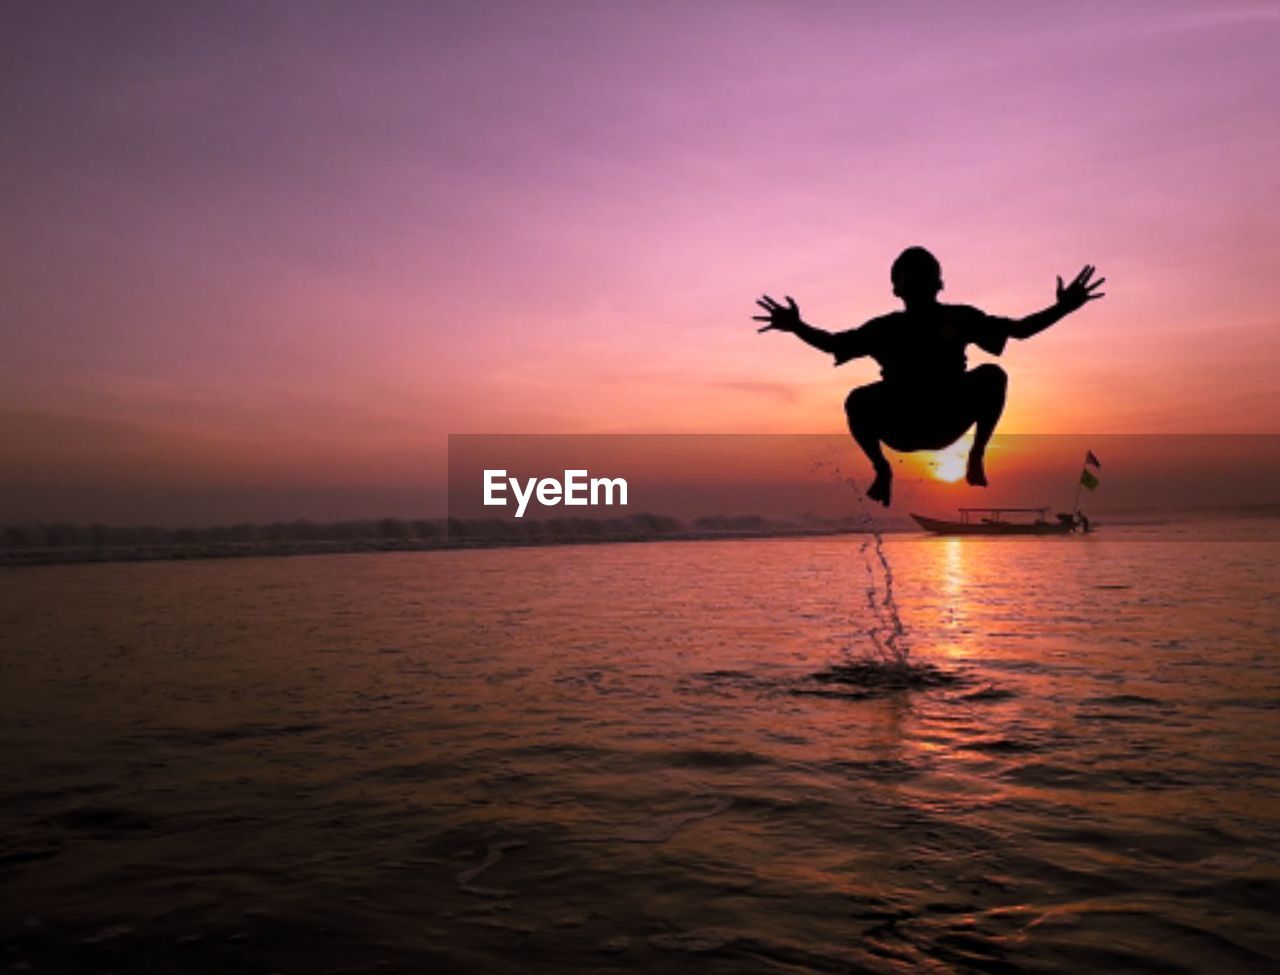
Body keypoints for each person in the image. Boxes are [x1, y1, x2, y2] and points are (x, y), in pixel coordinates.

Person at [754, 247, 1104, 506]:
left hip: (947, 418)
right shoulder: (885, 328)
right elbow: (833, 344)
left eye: (927, 271)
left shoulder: (960, 317)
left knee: (993, 375)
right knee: (857, 399)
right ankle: (882, 468)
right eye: (910, 273)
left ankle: (977, 454)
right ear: (896, 288)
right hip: (902, 425)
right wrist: (796, 326)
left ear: (939, 283)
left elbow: (1020, 330)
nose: (919, 277)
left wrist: (1063, 307)